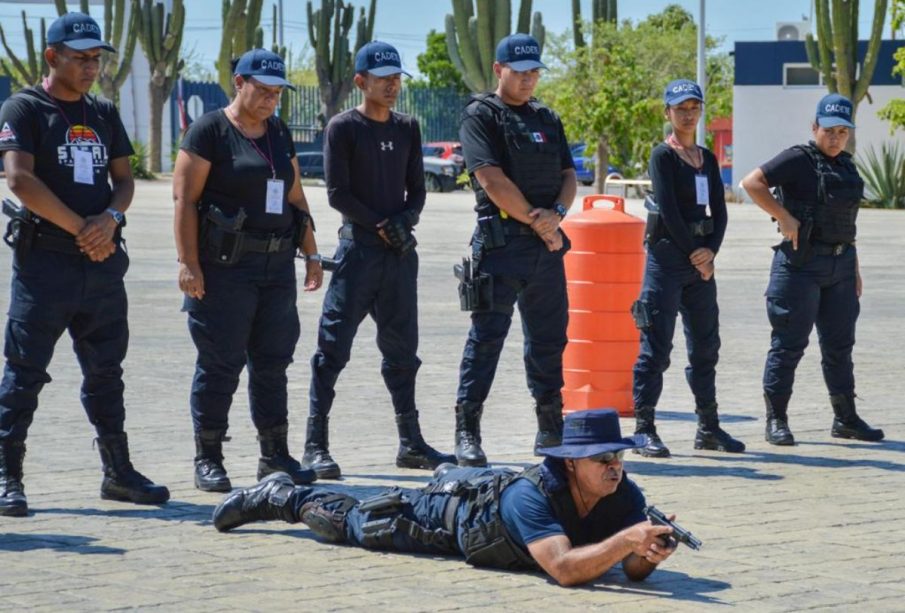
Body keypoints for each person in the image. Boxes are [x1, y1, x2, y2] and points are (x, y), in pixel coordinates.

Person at [0, 12, 169, 517]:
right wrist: (83, 228)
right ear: (52, 57)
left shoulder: (102, 112)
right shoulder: (25, 108)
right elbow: (18, 181)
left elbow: (125, 179)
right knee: (24, 371)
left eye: (96, 58)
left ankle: (118, 473)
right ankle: (8, 475)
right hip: (46, 263)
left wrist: (111, 219)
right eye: (81, 58)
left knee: (106, 371)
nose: (91, 66)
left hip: (100, 265)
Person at [212, 409, 680, 587]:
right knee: (357, 524)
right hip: (452, 522)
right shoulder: (532, 496)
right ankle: (283, 497)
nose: (615, 466)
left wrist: (649, 551)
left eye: (618, 456)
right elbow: (563, 571)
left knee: (467, 481)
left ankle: (452, 473)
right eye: (603, 459)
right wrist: (626, 542)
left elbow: (632, 572)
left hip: (490, 515)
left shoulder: (623, 493)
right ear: (572, 463)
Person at [173, 49, 322, 492]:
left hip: (275, 267)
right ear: (239, 82)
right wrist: (188, 262)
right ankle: (209, 457)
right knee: (220, 363)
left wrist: (312, 254)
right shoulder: (210, 131)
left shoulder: (276, 132)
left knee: (273, 363)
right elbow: (184, 200)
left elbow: (295, 197)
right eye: (262, 91)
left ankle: (274, 455)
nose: (270, 100)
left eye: (277, 93)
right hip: (223, 270)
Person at [302, 41, 452, 479]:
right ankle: (316, 445)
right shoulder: (343, 128)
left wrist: (406, 220)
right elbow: (337, 194)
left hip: (400, 257)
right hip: (359, 253)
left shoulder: (408, 127)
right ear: (360, 81)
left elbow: (417, 189)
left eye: (396, 77)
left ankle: (411, 443)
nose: (392, 84)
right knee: (332, 349)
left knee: (403, 352)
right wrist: (382, 224)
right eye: (382, 77)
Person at [453, 34, 576, 467]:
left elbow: (568, 175)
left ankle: (550, 428)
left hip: (546, 247)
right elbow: (491, 179)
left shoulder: (547, 116)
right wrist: (538, 220)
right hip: (502, 247)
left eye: (533, 72)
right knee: (486, 340)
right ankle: (467, 431)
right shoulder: (480, 116)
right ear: (499, 70)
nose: (527, 80)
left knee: (548, 341)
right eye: (519, 72)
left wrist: (557, 214)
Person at [740, 93, 883, 445]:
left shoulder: (847, 166)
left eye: (841, 132)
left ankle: (845, 419)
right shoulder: (798, 159)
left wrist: (855, 268)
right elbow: (752, 182)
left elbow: (846, 223)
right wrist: (784, 217)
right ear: (814, 127)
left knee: (839, 346)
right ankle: (777, 419)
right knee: (789, 344)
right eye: (828, 130)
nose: (835, 138)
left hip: (841, 266)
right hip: (800, 267)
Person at [630, 80, 745, 459]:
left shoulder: (707, 159)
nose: (688, 114)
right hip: (667, 259)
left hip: (700, 264)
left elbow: (720, 209)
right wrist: (695, 251)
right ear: (668, 113)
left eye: (693, 107)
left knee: (706, 346)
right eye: (680, 108)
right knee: (656, 347)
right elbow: (670, 211)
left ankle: (708, 428)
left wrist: (710, 252)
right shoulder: (663, 156)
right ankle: (644, 428)